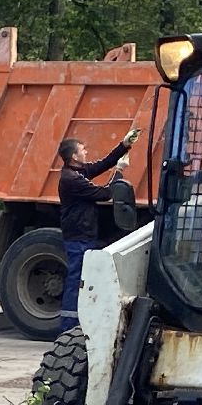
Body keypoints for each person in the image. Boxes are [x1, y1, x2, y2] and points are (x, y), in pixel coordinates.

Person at [57, 128, 142, 328]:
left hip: (84, 234)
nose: (86, 152)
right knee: (77, 279)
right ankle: (68, 326)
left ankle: (81, 322)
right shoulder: (72, 179)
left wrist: (124, 145)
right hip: (78, 237)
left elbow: (103, 164)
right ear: (74, 156)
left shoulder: (78, 172)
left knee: (86, 278)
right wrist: (119, 172)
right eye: (82, 150)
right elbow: (105, 194)